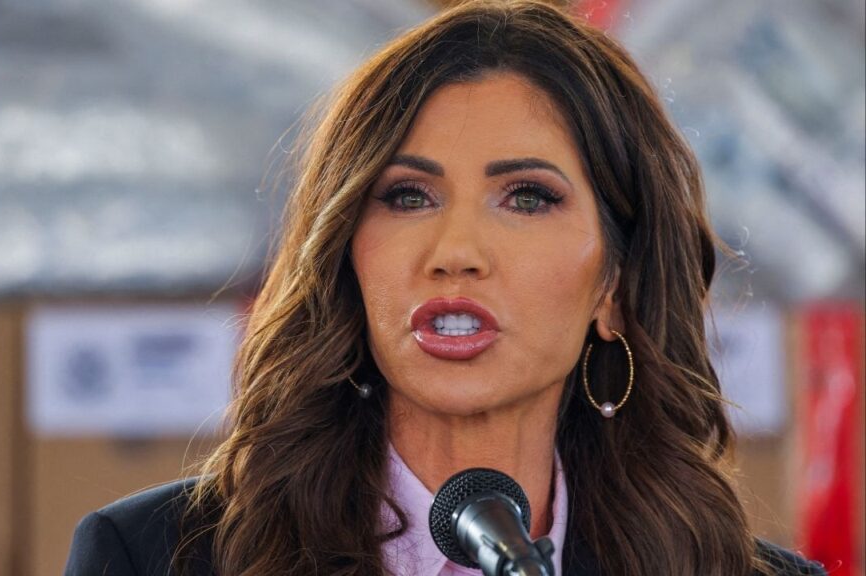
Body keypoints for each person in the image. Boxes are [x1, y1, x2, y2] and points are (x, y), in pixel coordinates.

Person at [65, 1, 827, 575]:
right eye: (407, 197)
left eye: (527, 197)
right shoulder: (153, 556)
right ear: (346, 258)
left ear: (616, 286)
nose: (455, 252)